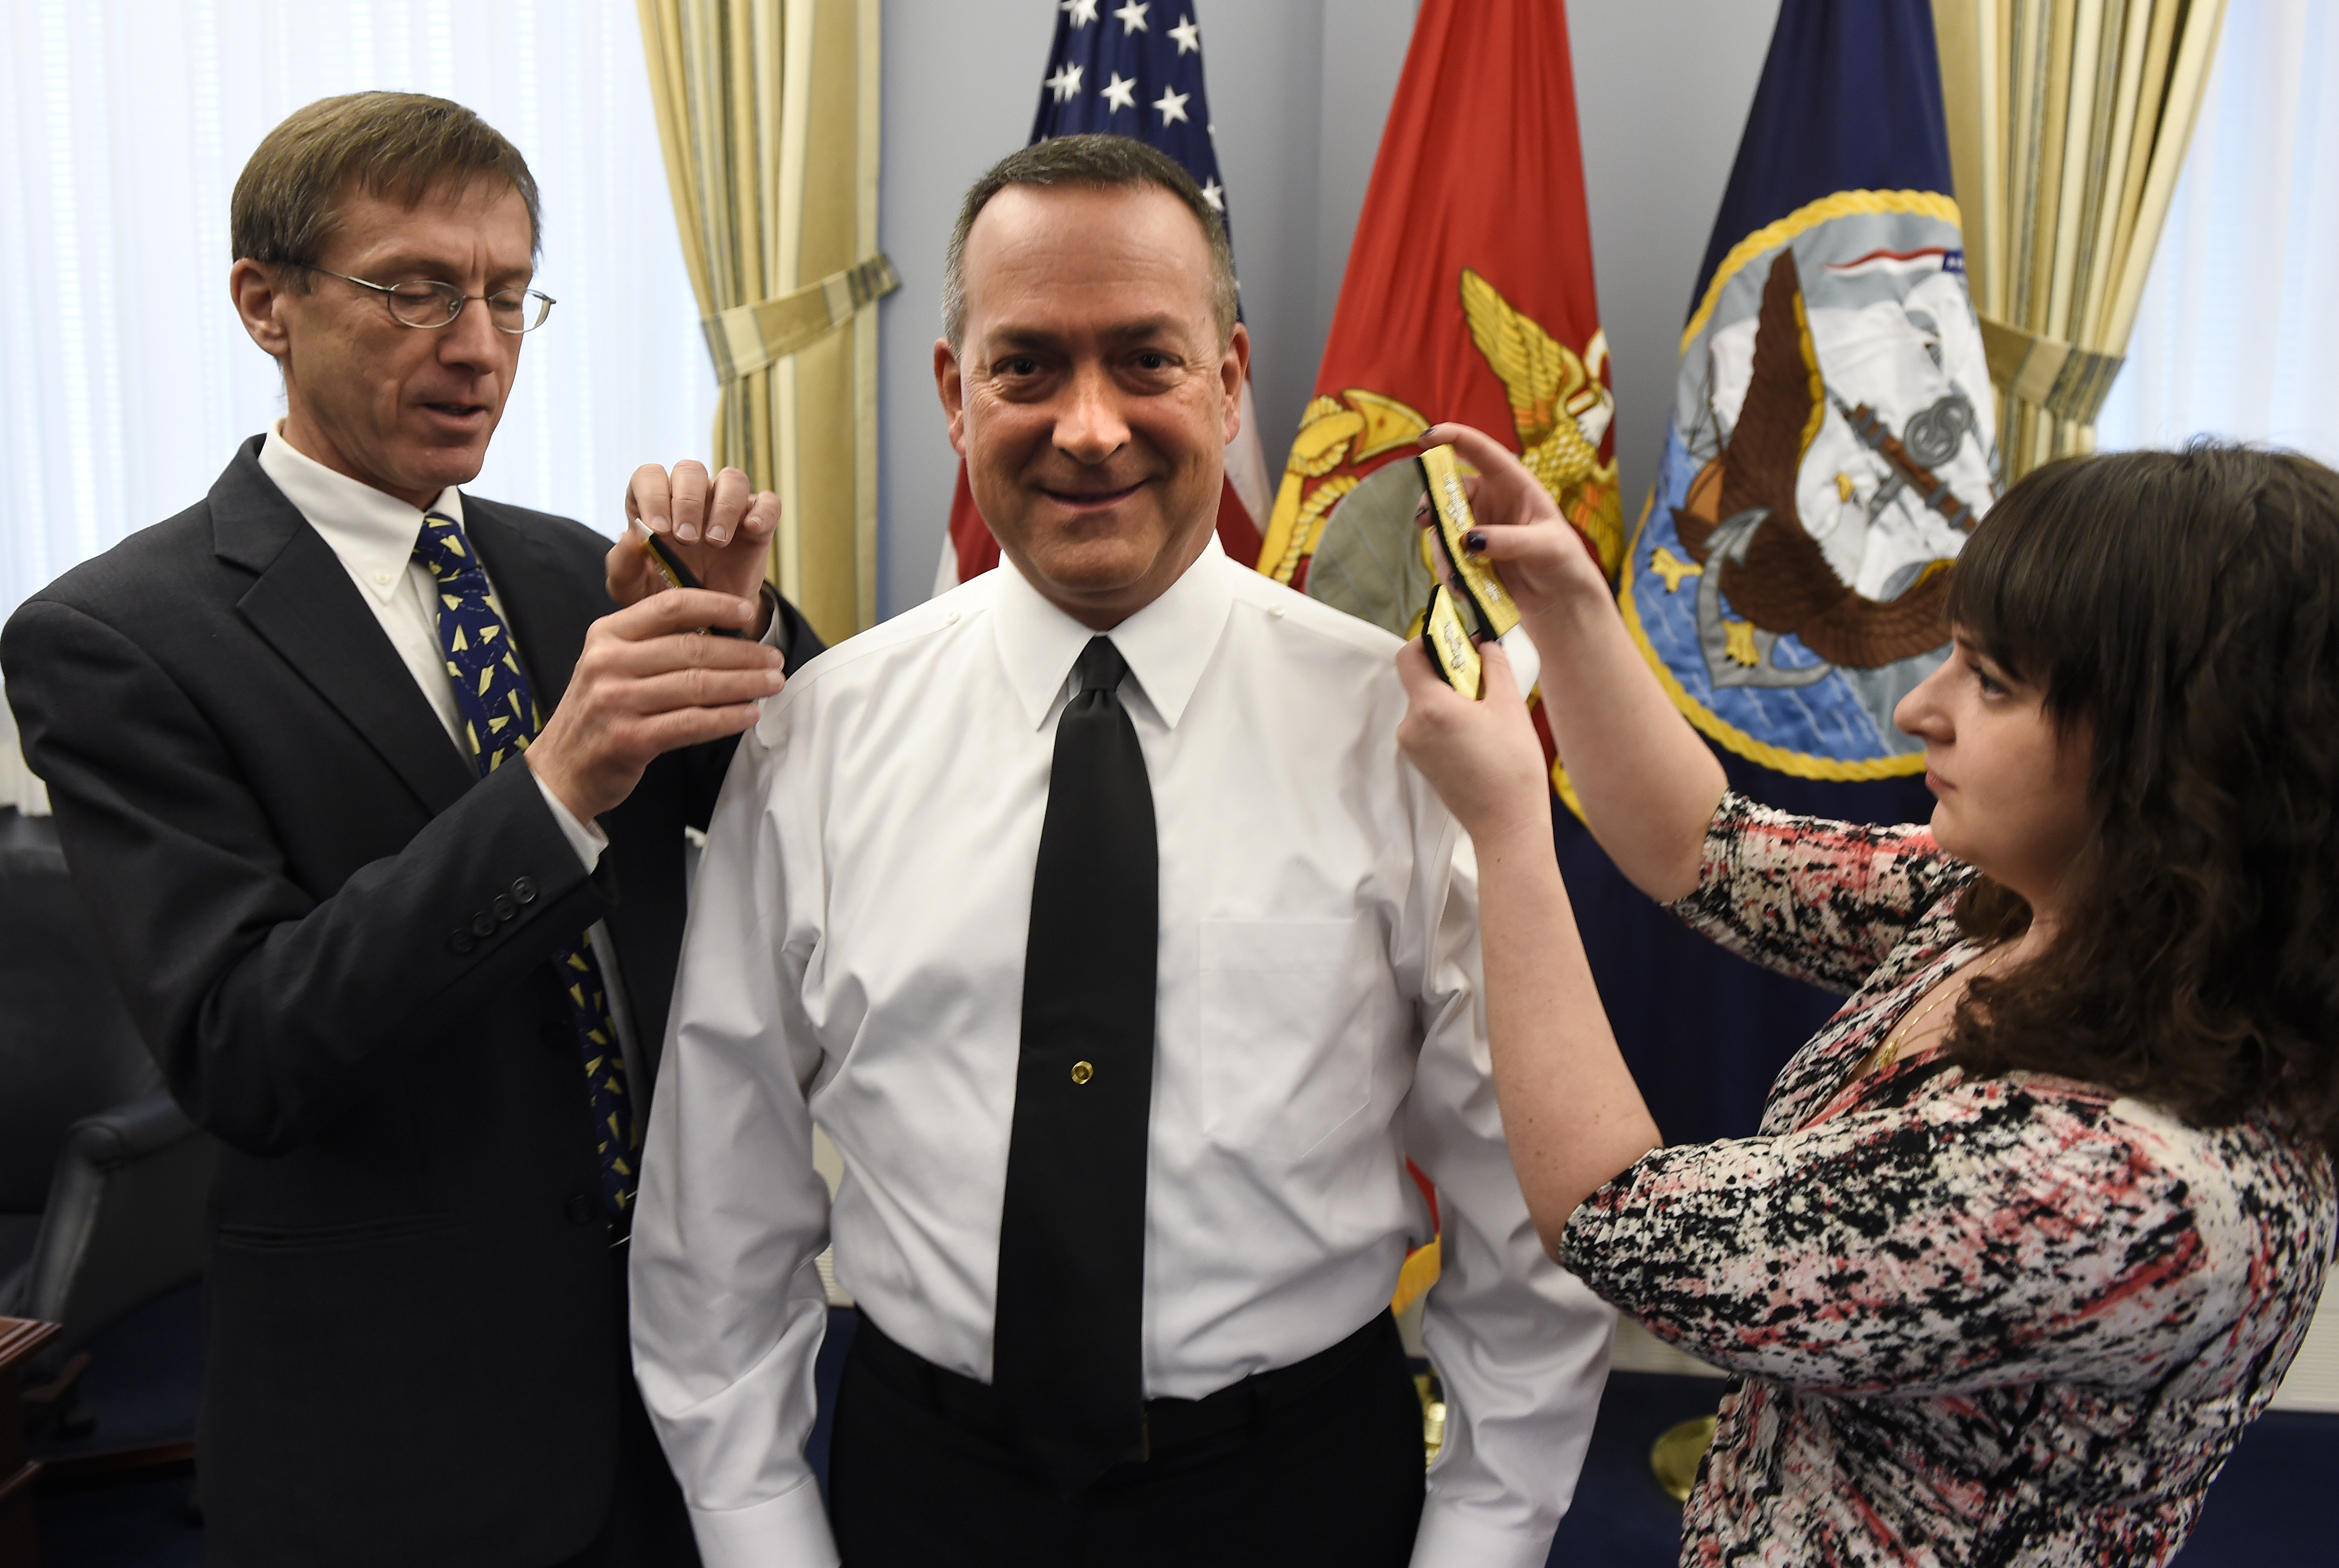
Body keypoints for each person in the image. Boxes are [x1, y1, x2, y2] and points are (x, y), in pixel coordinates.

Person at [627, 135, 1613, 1568]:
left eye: (1144, 361)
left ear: (1227, 379)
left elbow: (1517, 1212)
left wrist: (1480, 1535)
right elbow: (718, 1206)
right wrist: (763, 1535)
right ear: (952, 392)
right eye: (1026, 366)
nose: (1088, 427)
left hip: (1299, 1493)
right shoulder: (816, 737)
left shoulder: (1408, 737)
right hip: (925, 1491)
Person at [1, 92, 822, 1567]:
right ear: (266, 302)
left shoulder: (578, 574)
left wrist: (746, 619)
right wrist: (552, 791)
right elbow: (246, 1045)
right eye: (416, 288)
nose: (478, 343)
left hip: (686, 1378)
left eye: (508, 293)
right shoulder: (111, 638)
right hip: (391, 1428)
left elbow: (815, 809)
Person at [1392, 426, 2339, 1565]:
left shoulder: (2128, 1187)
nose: (1918, 710)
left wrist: (1506, 826)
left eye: (1990, 681)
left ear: (2172, 755)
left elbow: (1615, 1217)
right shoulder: (2029, 908)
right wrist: (1568, 603)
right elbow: (1703, 845)